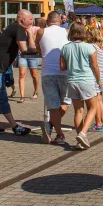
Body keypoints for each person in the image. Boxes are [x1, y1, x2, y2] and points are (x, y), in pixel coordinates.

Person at [0, 9, 33, 136]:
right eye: (30, 19)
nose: (32, 21)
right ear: (22, 20)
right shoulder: (18, 29)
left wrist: (30, 33)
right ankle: (15, 126)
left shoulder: (15, 28)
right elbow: (26, 51)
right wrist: (30, 34)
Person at [60, 23, 101, 149]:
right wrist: (99, 80)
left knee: (78, 111)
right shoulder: (90, 47)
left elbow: (62, 67)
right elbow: (95, 66)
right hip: (87, 80)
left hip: (72, 81)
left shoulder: (65, 48)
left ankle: (80, 140)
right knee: (93, 108)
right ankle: (83, 133)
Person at [35, 11, 70, 144]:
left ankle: (58, 133)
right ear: (60, 20)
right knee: (66, 103)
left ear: (47, 21)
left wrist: (42, 53)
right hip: (65, 72)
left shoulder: (40, 32)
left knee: (53, 106)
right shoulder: (67, 31)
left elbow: (37, 48)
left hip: (48, 72)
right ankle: (52, 127)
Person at [16, 18, 40, 103]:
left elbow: (34, 41)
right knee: (22, 74)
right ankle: (22, 96)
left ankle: (36, 91)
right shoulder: (19, 30)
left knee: (34, 74)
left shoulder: (36, 29)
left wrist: (29, 32)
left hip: (33, 55)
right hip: (22, 55)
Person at [88, 27, 103, 132]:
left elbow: (93, 64)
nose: (86, 36)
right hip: (102, 75)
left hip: (96, 75)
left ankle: (98, 124)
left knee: (95, 102)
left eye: (88, 35)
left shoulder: (92, 47)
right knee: (100, 100)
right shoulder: (102, 46)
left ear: (92, 36)